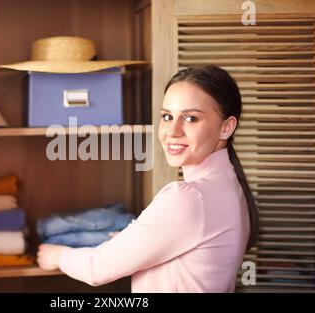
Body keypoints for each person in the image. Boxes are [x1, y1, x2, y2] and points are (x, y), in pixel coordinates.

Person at [37, 65, 259, 292]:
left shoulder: (188, 198)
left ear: (226, 127)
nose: (173, 131)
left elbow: (97, 268)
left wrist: (58, 255)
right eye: (167, 116)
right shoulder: (232, 187)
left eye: (191, 118)